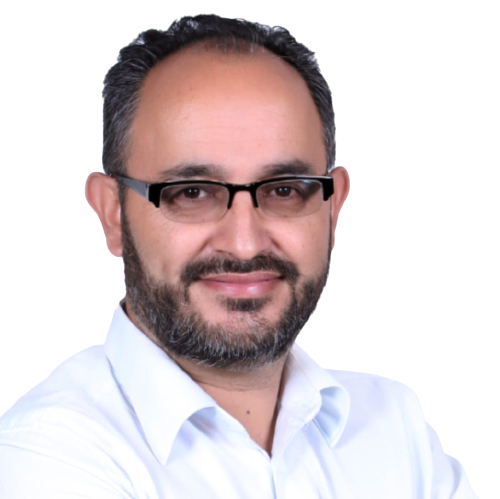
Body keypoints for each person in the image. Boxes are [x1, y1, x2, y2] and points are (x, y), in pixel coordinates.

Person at [0, 15, 477, 498]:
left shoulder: (392, 425)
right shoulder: (45, 454)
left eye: (285, 189)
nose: (245, 244)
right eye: (191, 192)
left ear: (333, 208)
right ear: (113, 214)